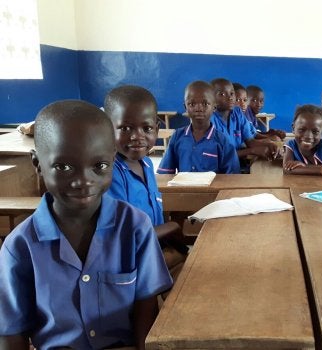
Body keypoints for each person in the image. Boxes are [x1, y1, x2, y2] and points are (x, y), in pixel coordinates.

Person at [0, 100, 172, 350]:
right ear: (38, 164)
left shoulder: (135, 227)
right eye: (64, 167)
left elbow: (146, 305)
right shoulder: (20, 247)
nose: (83, 181)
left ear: (113, 160)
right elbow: (11, 333)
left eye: (99, 166)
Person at [104, 85, 188, 279]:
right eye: (125, 128)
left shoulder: (147, 164)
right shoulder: (111, 173)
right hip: (130, 259)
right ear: (107, 129)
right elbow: (124, 236)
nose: (137, 136)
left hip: (154, 247)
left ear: (157, 130)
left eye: (147, 128)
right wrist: (172, 228)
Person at [157, 80, 240, 174]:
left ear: (214, 107)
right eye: (192, 104)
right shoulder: (177, 137)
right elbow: (165, 173)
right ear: (185, 107)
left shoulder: (223, 141)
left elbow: (232, 177)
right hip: (183, 188)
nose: (199, 108)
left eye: (205, 104)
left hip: (213, 189)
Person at [210, 78, 279, 162]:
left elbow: (250, 142)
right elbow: (220, 156)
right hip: (218, 172)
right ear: (211, 98)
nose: (230, 97)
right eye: (222, 94)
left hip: (235, 168)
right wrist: (252, 151)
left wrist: (270, 145)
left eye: (232, 93)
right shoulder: (210, 121)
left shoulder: (237, 113)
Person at [283, 104, 322, 176]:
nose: (308, 136)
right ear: (293, 128)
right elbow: (286, 169)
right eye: (302, 130)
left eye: (315, 132)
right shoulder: (291, 145)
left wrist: (302, 167)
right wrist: (321, 169)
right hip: (298, 185)